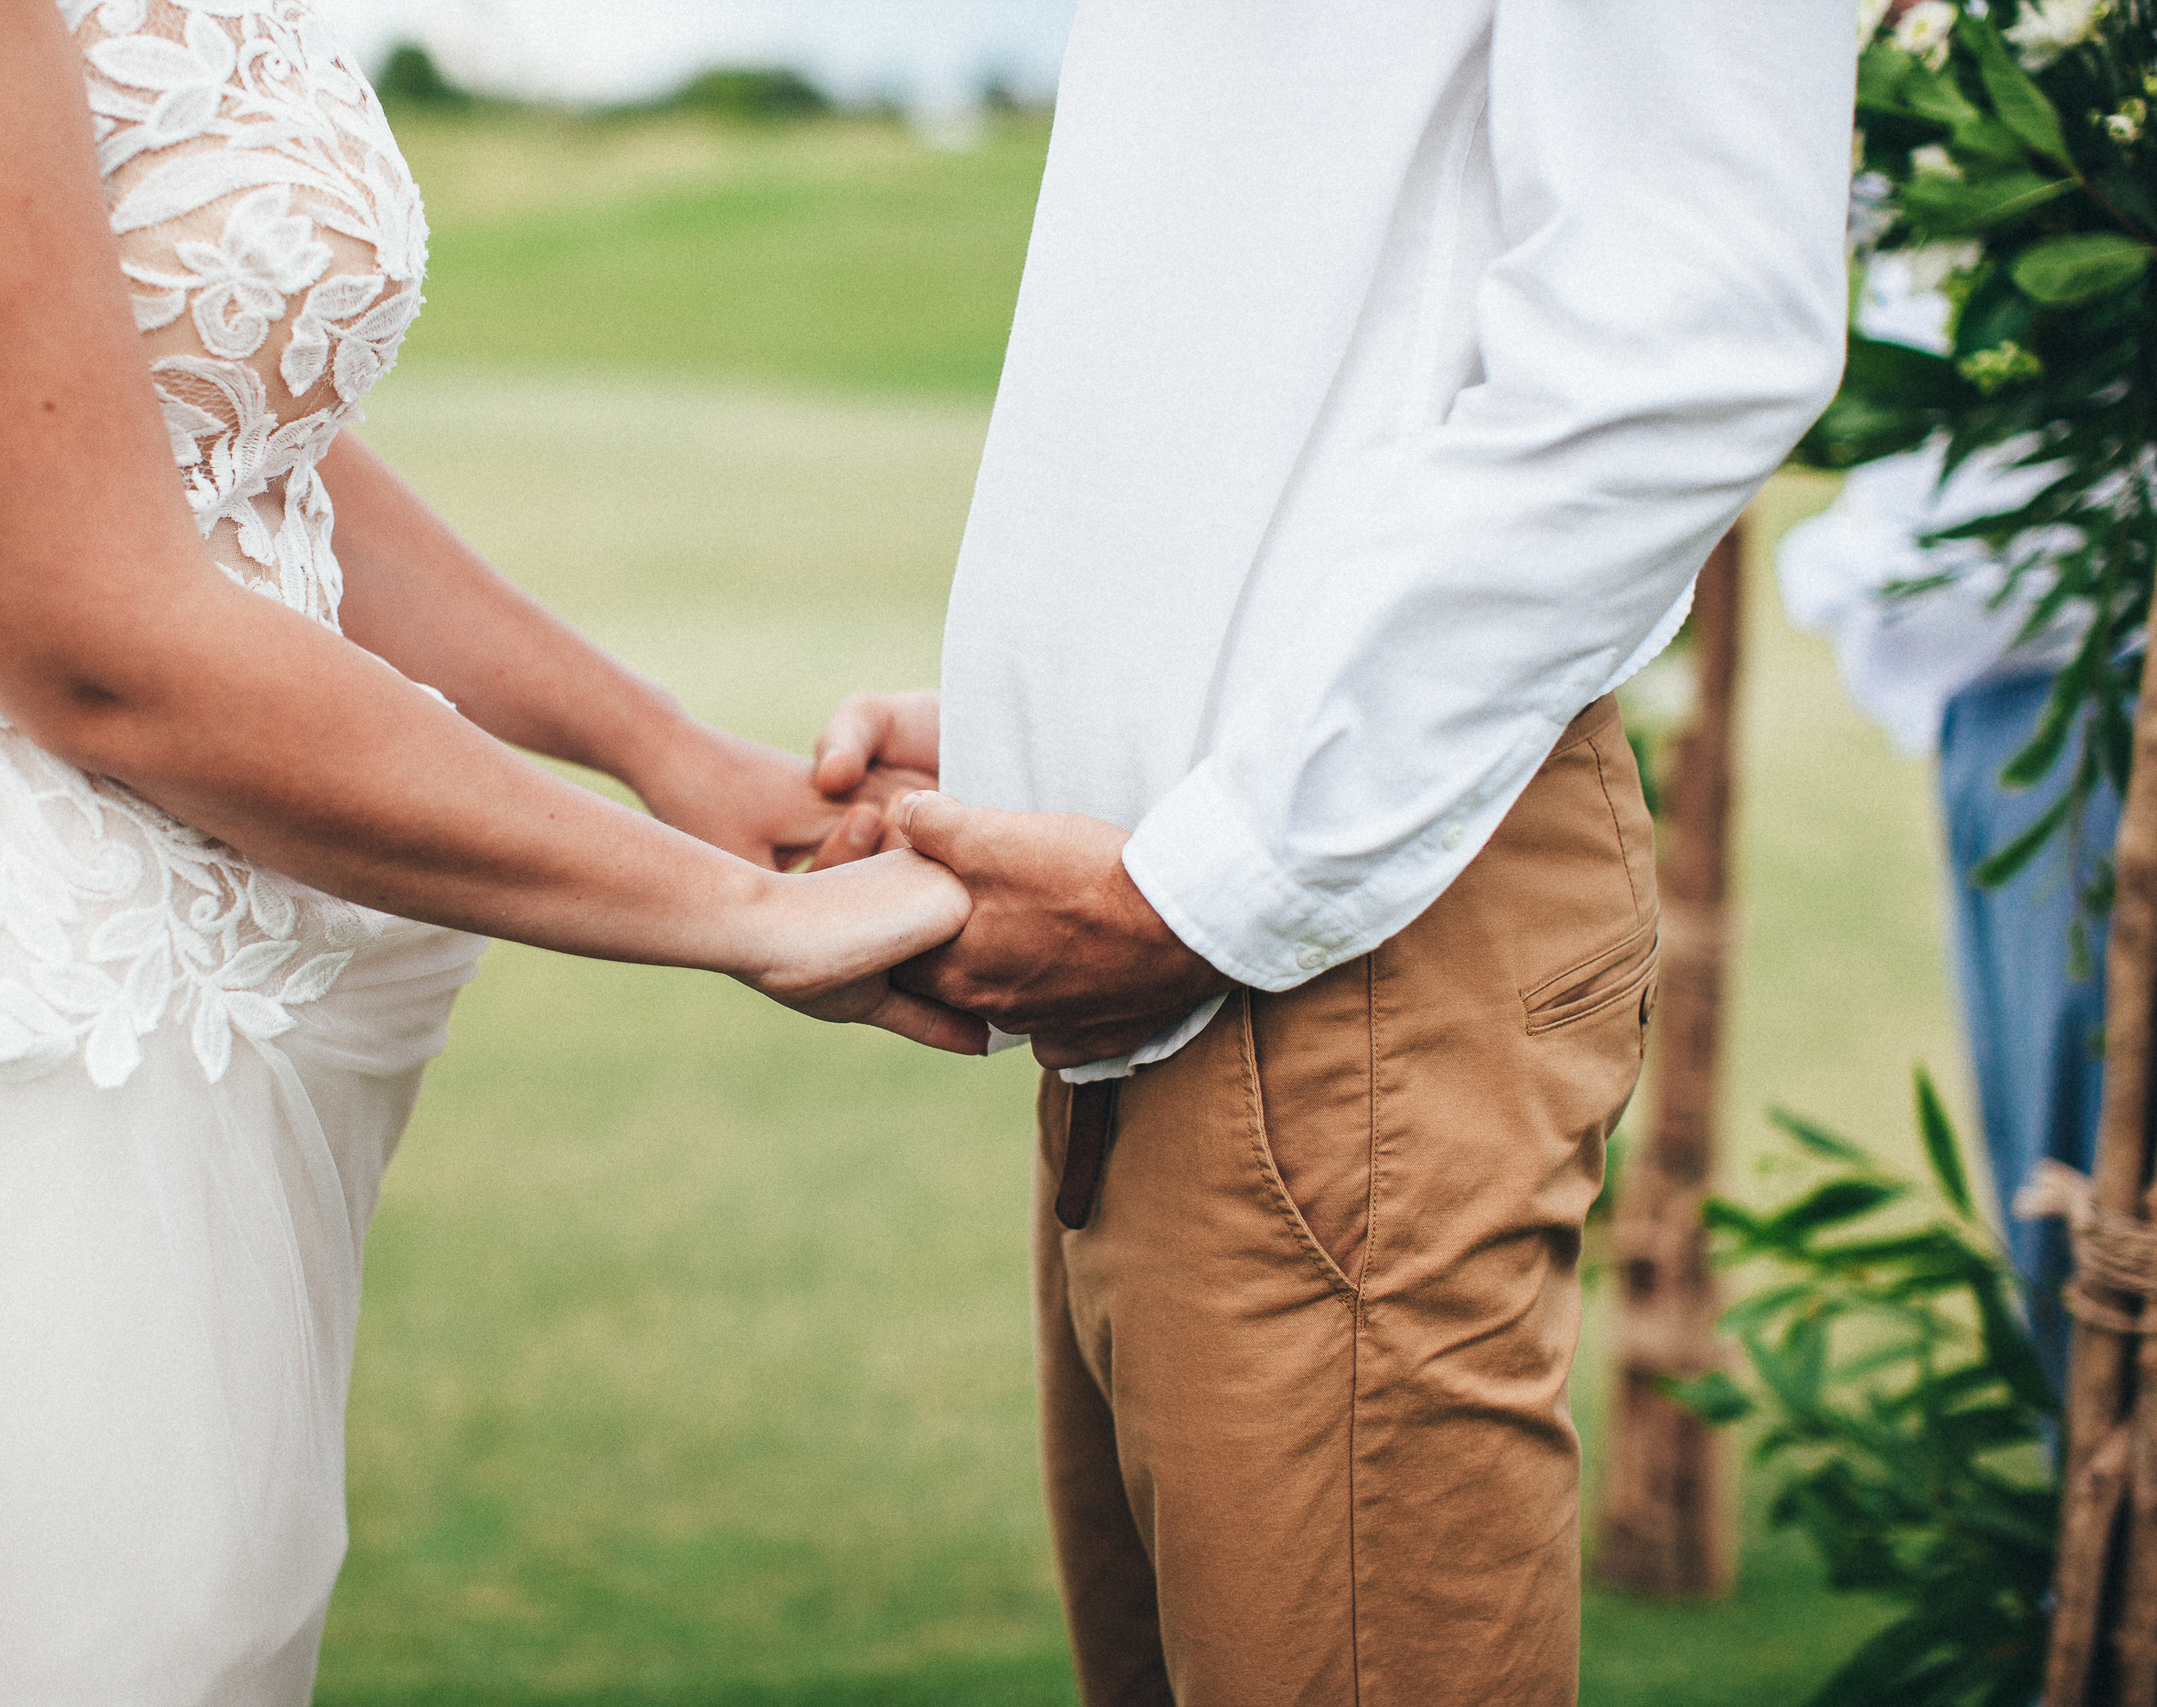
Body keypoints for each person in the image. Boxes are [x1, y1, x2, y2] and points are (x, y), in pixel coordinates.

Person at [0, 2, 977, 1698]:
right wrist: (738, 915)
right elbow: (96, 630)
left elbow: (167, 433)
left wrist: (660, 747)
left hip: (171, 1040)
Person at [812, 7, 1855, 1703]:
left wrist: (1224, 873)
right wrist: (1084, 724)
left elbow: (1691, 326)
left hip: (1336, 937)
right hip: (1212, 908)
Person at [1777, 254, 2117, 1393]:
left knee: (2088, 1168)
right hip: (2017, 666)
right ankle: (2089, 1513)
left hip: (2076, 652)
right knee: (2062, 1182)